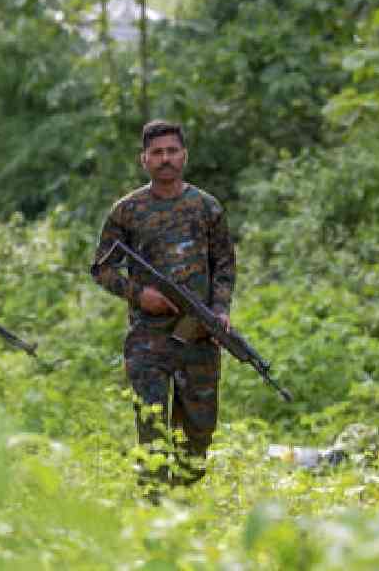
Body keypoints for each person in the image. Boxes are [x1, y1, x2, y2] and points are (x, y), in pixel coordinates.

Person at [91, 120, 235, 498]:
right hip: (148, 339)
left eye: (172, 151)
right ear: (144, 159)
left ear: (184, 155)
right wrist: (140, 295)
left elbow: (224, 265)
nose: (165, 159)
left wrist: (220, 310)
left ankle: (181, 495)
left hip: (199, 335)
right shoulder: (127, 211)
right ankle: (155, 506)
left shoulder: (206, 207)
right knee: (152, 425)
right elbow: (101, 268)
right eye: (157, 153)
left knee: (199, 429)